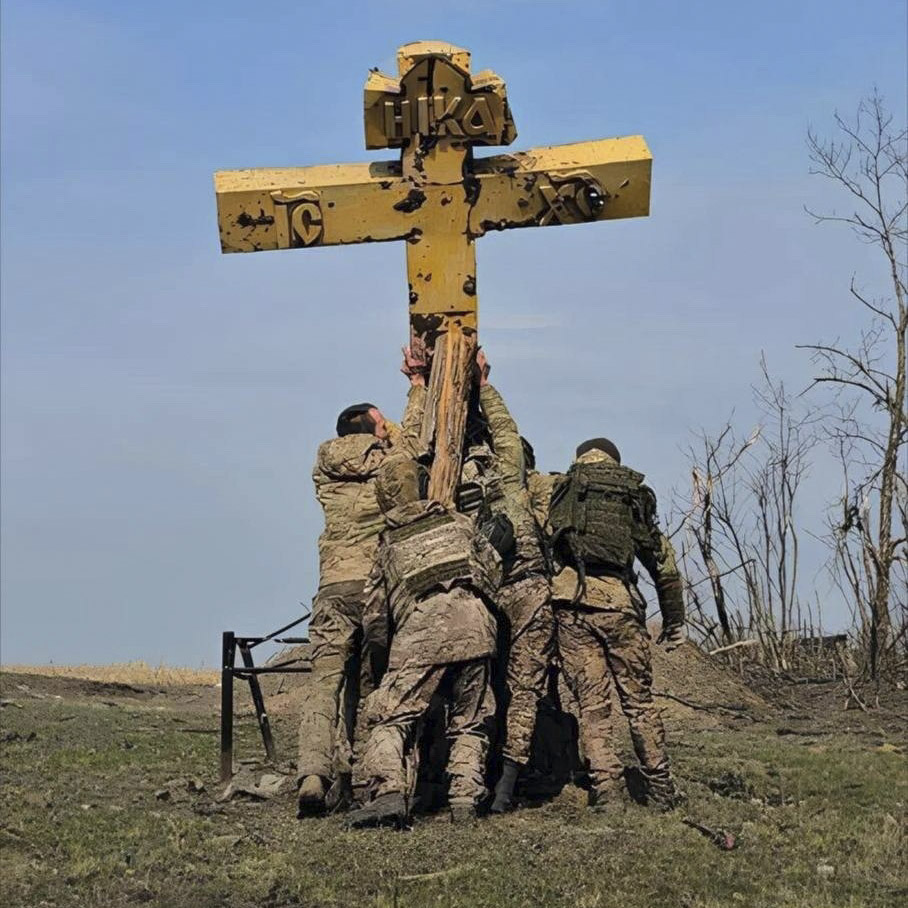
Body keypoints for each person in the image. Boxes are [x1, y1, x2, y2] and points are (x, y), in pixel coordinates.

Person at [296, 346, 427, 816]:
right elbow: (415, 445)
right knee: (375, 687)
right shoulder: (389, 461)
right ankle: (375, 781)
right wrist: (416, 386)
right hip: (375, 589)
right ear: (376, 428)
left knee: (324, 686)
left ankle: (314, 775)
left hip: (332, 587)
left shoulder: (323, 466)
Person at [344, 455, 503, 829]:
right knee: (470, 719)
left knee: (389, 716)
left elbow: (375, 616)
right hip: (476, 624)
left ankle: (388, 793)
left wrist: (381, 661)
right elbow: (493, 569)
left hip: (422, 631)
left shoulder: (389, 543)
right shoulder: (458, 523)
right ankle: (464, 799)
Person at [547, 437, 685, 810]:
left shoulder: (562, 490)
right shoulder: (631, 495)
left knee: (592, 705)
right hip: (621, 607)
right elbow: (664, 565)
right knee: (639, 703)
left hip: (572, 606)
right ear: (615, 463)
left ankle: (606, 790)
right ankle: (660, 787)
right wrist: (674, 621)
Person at [472, 351, 556, 814]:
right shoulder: (512, 480)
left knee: (479, 684)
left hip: (482, 593)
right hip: (529, 588)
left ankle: (468, 777)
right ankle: (506, 787)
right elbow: (506, 431)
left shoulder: (453, 487)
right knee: (524, 687)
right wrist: (485, 384)